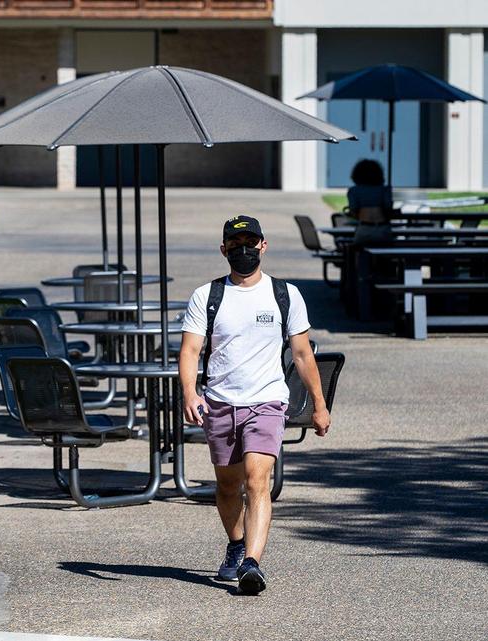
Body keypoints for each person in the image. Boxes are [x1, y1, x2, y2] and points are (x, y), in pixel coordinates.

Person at [178, 215, 332, 596]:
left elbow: (301, 353)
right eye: (236, 244)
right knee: (228, 486)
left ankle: (252, 562)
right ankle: (235, 544)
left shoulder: (285, 294)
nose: (243, 251)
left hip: (267, 399)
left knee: (257, 481)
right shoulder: (207, 296)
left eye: (251, 243)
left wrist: (319, 403)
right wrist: (189, 392)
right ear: (223, 250)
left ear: (264, 246)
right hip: (220, 402)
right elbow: (190, 350)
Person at [346, 159, 394, 246]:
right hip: (382, 229)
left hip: (364, 228)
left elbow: (353, 211)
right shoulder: (385, 190)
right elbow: (388, 208)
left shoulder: (354, 191)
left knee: (359, 254)